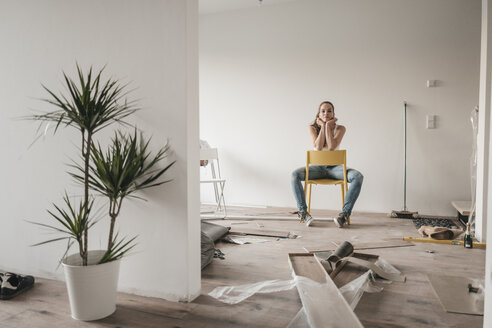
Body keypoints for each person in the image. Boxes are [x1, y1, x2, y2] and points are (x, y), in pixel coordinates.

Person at [291, 101, 363, 227]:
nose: (326, 113)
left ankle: (344, 215)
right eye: (323, 111)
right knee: (294, 175)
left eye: (329, 111)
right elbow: (318, 147)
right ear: (318, 114)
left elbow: (331, 147)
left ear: (333, 114)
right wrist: (324, 127)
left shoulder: (340, 128)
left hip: (335, 169)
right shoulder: (312, 128)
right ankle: (303, 212)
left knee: (358, 176)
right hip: (317, 169)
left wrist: (327, 126)